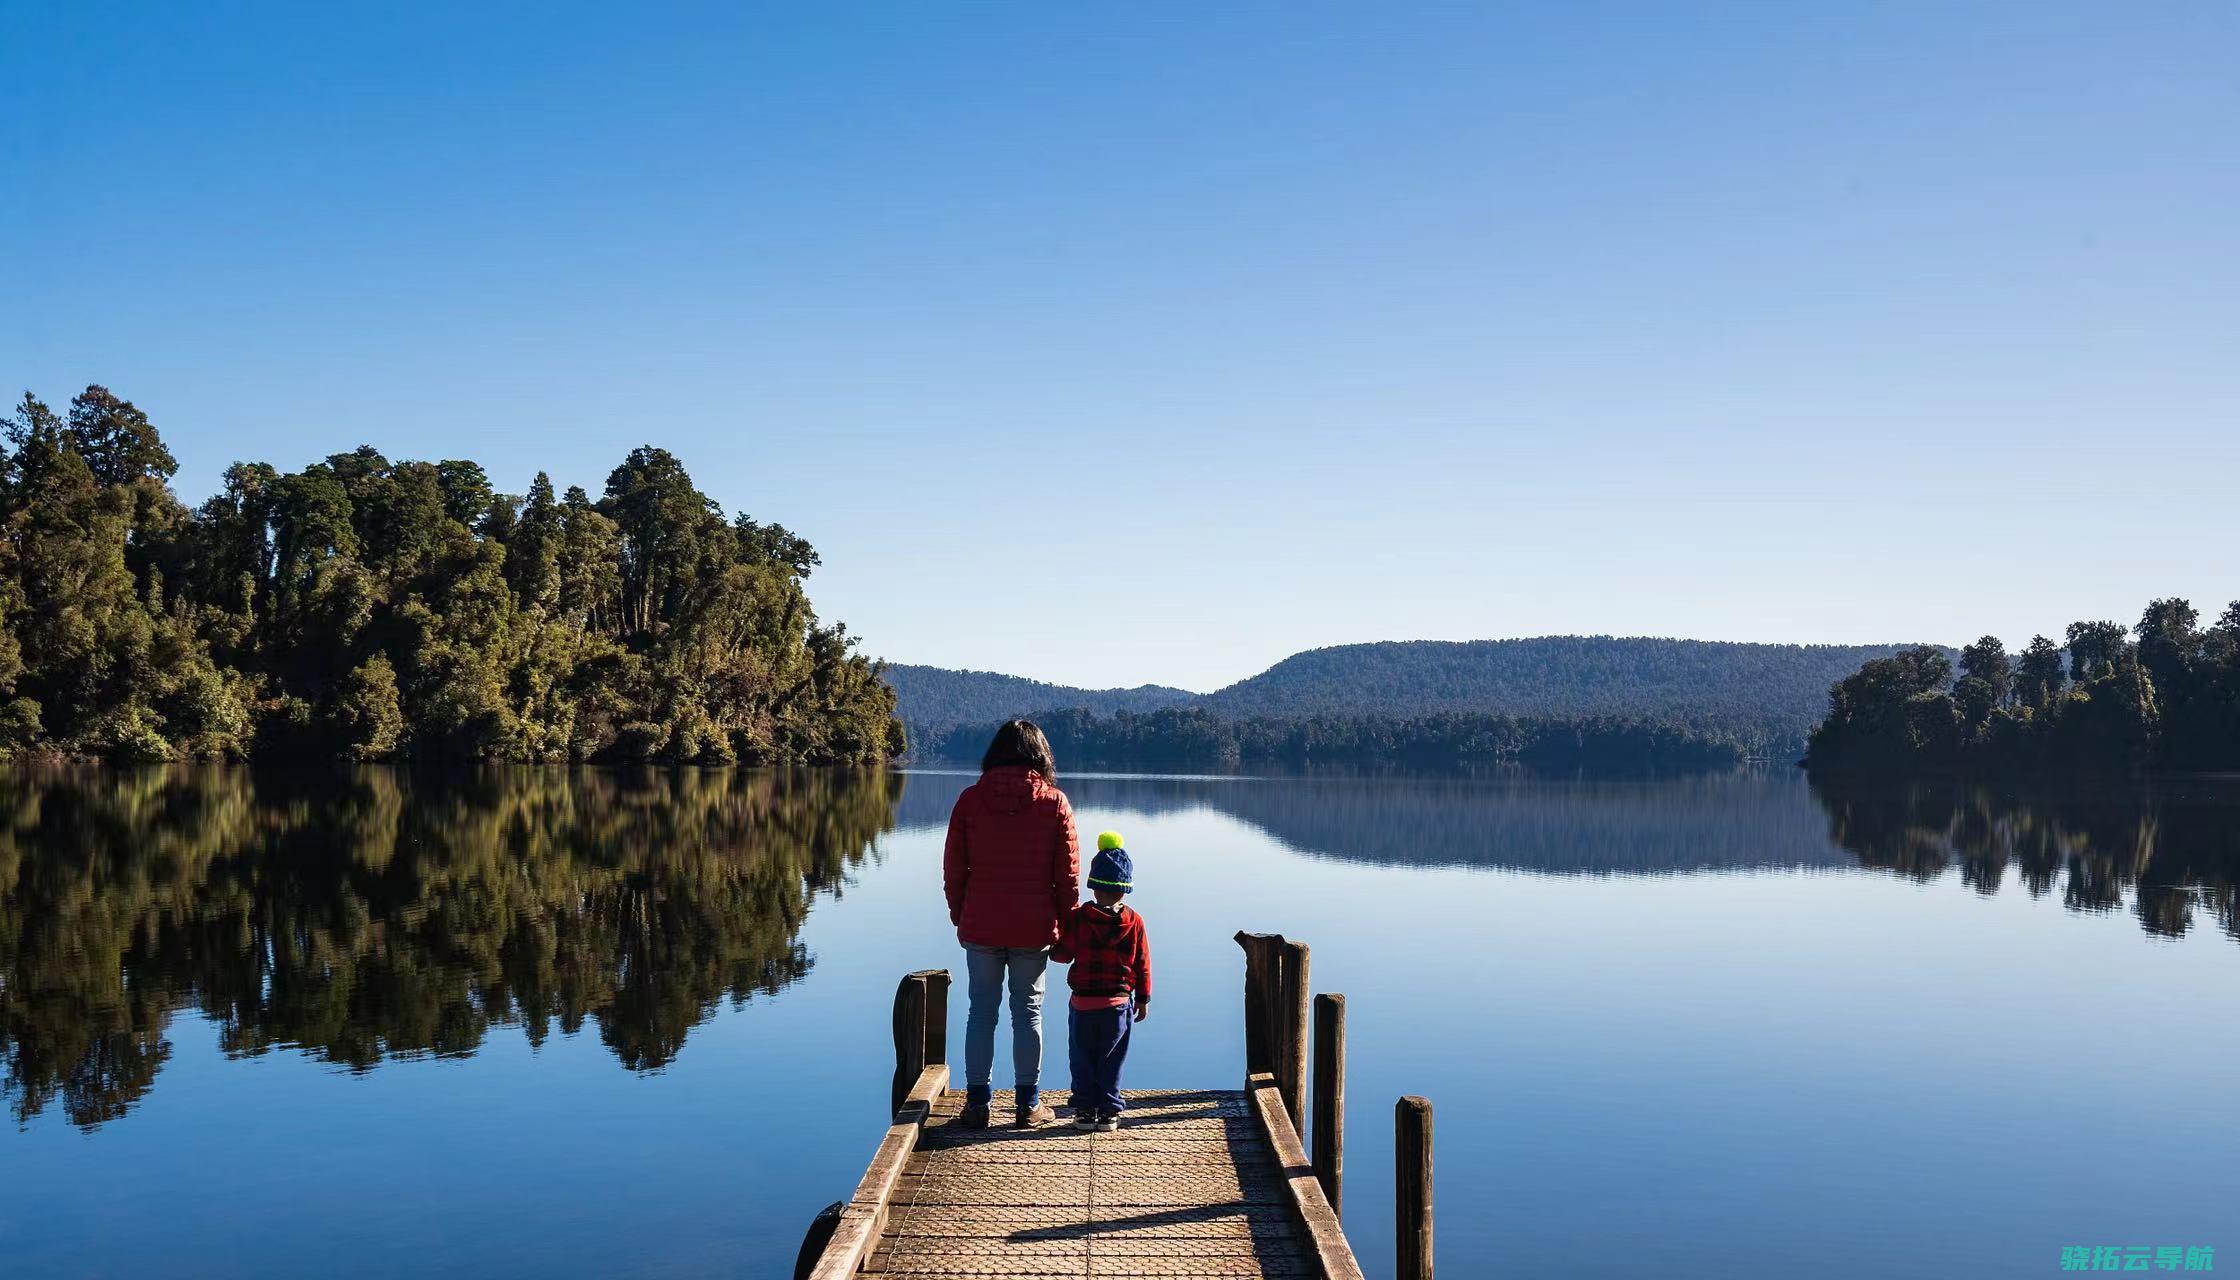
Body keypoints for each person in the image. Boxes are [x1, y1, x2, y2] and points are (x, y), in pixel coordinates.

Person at [943, 719, 1079, 1129]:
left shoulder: (969, 800)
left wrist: (961, 916)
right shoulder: (1055, 803)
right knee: (1028, 1013)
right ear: (1041, 756)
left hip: (981, 926)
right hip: (1032, 930)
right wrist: (1066, 930)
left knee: (980, 1014)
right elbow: (1067, 878)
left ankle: (977, 1105)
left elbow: (953, 870)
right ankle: (1027, 1105)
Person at [1051, 831, 1151, 1131]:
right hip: (1118, 1006)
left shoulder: (1080, 918)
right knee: (1112, 1060)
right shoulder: (1135, 922)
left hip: (1082, 1004)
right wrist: (1143, 999)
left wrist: (1050, 942)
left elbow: (1063, 955)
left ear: (1093, 886)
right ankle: (1108, 1112)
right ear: (1124, 890)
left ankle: (1083, 1111)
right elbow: (1142, 964)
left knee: (1082, 1059)